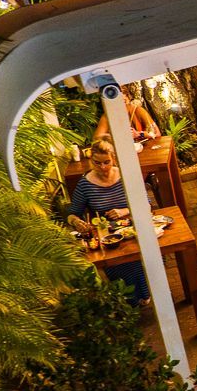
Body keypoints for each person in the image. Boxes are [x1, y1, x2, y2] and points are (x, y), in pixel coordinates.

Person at [66, 138, 150, 304]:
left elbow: (146, 204)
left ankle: (144, 295)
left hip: (133, 232)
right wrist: (76, 222)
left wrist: (124, 211)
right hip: (110, 239)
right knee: (120, 266)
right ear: (91, 161)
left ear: (114, 159)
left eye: (107, 162)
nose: (102, 167)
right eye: (97, 163)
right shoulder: (85, 184)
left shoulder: (126, 175)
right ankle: (132, 301)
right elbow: (72, 214)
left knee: (145, 259)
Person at [94, 85, 158, 144]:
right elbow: (96, 138)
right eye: (117, 103)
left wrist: (138, 134)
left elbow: (157, 133)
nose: (121, 105)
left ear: (128, 98)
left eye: (124, 101)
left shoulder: (138, 111)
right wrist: (117, 137)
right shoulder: (108, 116)